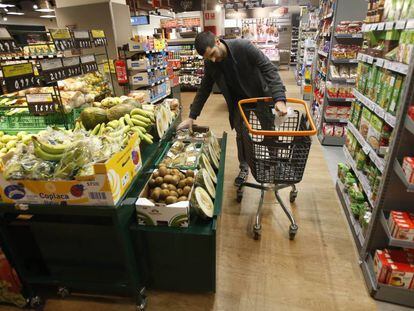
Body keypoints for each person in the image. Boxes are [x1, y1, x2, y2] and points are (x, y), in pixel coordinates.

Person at [177, 31, 287, 187]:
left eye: (213, 54)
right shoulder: (211, 62)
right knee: (241, 136)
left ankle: (275, 163)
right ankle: (244, 167)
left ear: (217, 41)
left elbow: (268, 69)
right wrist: (191, 116)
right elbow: (204, 88)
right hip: (238, 102)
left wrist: (279, 99)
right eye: (209, 58)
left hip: (260, 96)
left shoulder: (244, 47)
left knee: (268, 131)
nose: (213, 59)